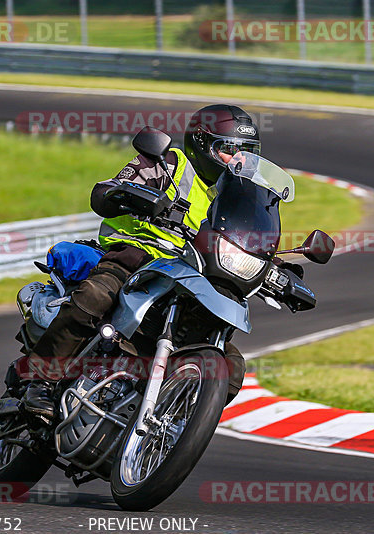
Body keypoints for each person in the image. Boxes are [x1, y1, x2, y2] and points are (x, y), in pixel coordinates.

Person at [21, 104, 263, 418]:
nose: (240, 160)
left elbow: (252, 238)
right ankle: (38, 380)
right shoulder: (169, 164)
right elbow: (108, 189)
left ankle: (165, 435)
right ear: (203, 144)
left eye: (248, 152)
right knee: (95, 295)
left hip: (192, 282)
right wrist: (129, 195)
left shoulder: (240, 198)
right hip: (135, 261)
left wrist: (276, 267)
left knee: (230, 367)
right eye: (230, 149)